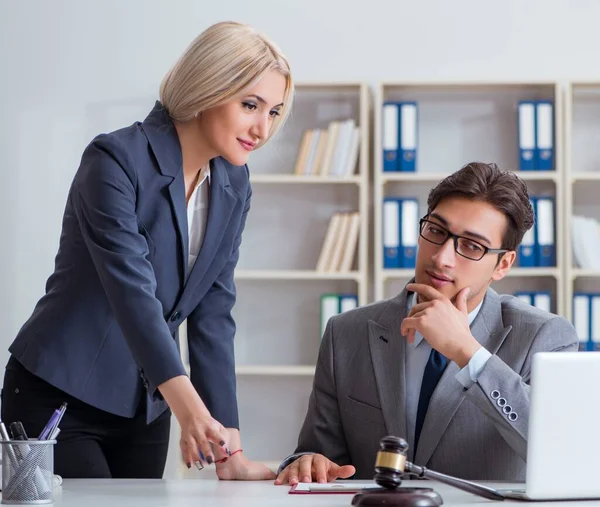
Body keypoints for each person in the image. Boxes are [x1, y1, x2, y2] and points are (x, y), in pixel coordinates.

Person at [1, 21, 293, 480]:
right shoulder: (115, 160)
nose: (263, 127)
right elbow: (133, 296)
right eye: (250, 105)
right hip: (60, 396)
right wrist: (191, 411)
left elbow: (214, 310)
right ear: (208, 85)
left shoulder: (234, 183)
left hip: (145, 408)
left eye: (274, 112)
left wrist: (228, 451)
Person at [275, 162, 579, 485]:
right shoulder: (345, 334)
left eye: (471, 246)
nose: (442, 257)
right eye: (436, 231)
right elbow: (318, 458)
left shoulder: (544, 337)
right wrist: (307, 462)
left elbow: (563, 451)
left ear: (503, 264)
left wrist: (468, 353)